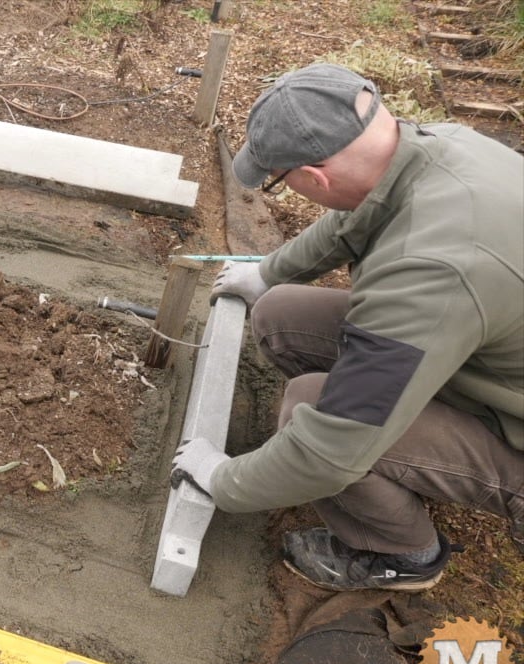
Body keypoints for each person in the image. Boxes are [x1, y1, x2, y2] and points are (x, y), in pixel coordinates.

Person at [171, 63, 524, 592]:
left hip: (511, 427)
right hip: (487, 360)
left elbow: (329, 454)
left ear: (315, 178)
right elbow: (352, 218)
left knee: (308, 407)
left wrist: (221, 479)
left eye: (279, 181)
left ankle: (403, 554)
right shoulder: (438, 145)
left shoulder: (430, 269)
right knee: (279, 315)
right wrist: (266, 274)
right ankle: (398, 457)